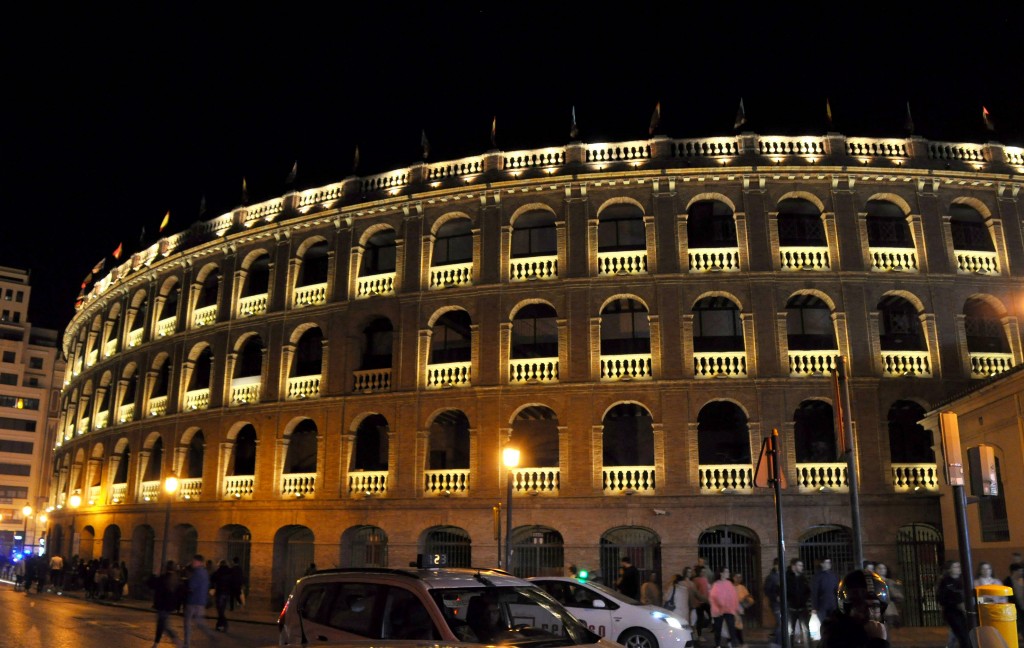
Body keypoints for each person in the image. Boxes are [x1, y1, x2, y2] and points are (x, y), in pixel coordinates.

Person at [820, 569, 889, 648]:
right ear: (847, 610)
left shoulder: (878, 629)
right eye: (862, 608)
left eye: (874, 606)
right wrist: (877, 643)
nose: (869, 614)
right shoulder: (835, 635)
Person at [183, 554, 218, 647]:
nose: (192, 563)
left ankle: (187, 643)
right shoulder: (205, 572)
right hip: (201, 601)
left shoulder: (197, 573)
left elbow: (191, 587)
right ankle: (210, 634)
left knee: (187, 623)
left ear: (199, 562)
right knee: (200, 622)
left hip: (193, 601)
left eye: (194, 561)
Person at [936, 560, 970, 648]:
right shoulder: (945, 582)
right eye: (955, 567)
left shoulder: (964, 580)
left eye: (959, 566)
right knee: (962, 635)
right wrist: (955, 603)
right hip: (952, 612)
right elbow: (941, 598)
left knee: (965, 635)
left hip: (965, 611)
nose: (958, 569)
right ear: (949, 569)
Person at [151, 561, 183, 648]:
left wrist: (154, 574)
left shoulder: (163, 578)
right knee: (163, 624)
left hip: (162, 605)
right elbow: (179, 594)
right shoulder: (176, 579)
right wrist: (177, 606)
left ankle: (176, 641)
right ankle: (156, 643)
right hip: (169, 606)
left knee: (163, 625)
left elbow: (151, 584)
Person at [710, 566, 740, 648]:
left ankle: (733, 644)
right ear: (721, 573)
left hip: (729, 610)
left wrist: (735, 608)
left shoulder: (729, 584)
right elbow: (714, 597)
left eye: (728, 571)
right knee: (718, 629)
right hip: (718, 611)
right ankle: (718, 645)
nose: (728, 573)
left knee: (731, 628)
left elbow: (734, 597)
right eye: (726, 571)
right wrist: (721, 606)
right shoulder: (716, 584)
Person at [786, 559, 811, 644]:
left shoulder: (803, 578)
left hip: (802, 608)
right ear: (794, 567)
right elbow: (781, 591)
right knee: (790, 631)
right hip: (791, 609)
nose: (802, 567)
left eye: (802, 565)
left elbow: (808, 590)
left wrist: (804, 599)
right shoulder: (787, 577)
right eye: (799, 565)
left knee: (806, 630)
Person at [811, 558, 840, 624]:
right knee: (824, 624)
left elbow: (838, 589)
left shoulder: (834, 575)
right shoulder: (817, 576)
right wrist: (814, 607)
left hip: (833, 604)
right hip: (822, 605)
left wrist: (840, 601)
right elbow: (814, 592)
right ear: (822, 564)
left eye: (829, 562)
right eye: (827, 562)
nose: (829, 564)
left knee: (834, 623)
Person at [874, 563, 902, 628]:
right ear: (875, 570)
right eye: (879, 568)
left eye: (884, 568)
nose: (882, 570)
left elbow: (897, 595)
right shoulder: (874, 581)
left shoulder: (889, 582)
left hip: (889, 608)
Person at [732, 572, 754, 647]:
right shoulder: (730, 587)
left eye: (740, 577)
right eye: (737, 577)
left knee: (738, 626)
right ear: (733, 578)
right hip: (731, 609)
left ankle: (740, 643)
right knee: (735, 626)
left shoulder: (742, 587)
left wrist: (744, 603)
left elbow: (749, 598)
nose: (739, 579)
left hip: (740, 609)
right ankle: (739, 643)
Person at [764, 558, 782, 648]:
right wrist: (775, 597)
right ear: (775, 565)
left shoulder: (784, 575)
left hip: (784, 604)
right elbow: (766, 591)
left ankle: (773, 639)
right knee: (781, 623)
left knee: (780, 623)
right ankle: (777, 643)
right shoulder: (771, 577)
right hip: (776, 604)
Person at [212, 559, 233, 632]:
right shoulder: (230, 571)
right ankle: (219, 625)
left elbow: (212, 579)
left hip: (220, 592)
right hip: (227, 593)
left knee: (220, 610)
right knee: (222, 610)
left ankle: (224, 624)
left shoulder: (219, 571)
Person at [693, 565, 712, 640]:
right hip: (699, 603)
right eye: (702, 571)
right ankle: (699, 635)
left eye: (705, 571)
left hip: (706, 601)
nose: (704, 573)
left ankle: (706, 628)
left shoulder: (705, 579)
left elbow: (707, 590)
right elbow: (695, 592)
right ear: (699, 572)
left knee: (712, 615)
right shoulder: (696, 580)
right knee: (700, 619)